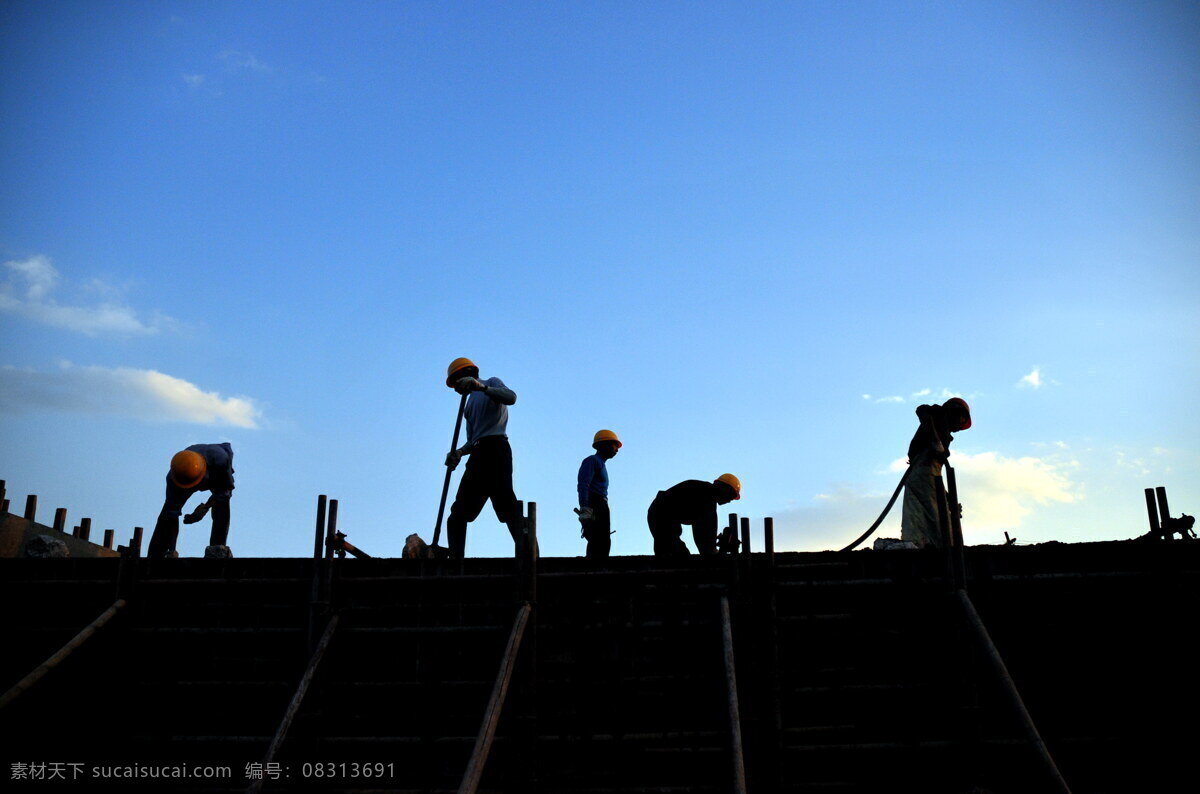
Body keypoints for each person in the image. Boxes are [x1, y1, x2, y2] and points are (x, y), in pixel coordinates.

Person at [443, 357, 523, 559]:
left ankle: (529, 553)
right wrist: (459, 452)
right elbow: (474, 440)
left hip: (496, 449)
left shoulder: (491, 383)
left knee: (507, 506)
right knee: (458, 515)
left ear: (466, 374)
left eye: (455, 383)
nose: (455, 389)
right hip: (479, 454)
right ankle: (455, 561)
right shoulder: (467, 407)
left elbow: (511, 397)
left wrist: (481, 388)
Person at [901, 397, 972, 548]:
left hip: (924, 472)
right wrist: (935, 441)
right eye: (961, 420)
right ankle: (935, 547)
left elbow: (934, 480)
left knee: (936, 510)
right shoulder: (938, 415)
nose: (959, 427)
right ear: (955, 411)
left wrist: (948, 498)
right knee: (937, 516)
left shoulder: (942, 426)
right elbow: (921, 409)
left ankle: (924, 544)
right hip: (922, 468)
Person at [148, 443, 235, 558]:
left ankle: (217, 549)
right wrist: (172, 550)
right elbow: (172, 514)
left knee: (222, 504)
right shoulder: (175, 477)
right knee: (167, 515)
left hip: (214, 466)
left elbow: (224, 493)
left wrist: (204, 509)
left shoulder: (220, 461)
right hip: (190, 471)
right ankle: (158, 555)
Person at [647, 474, 740, 557]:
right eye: (730, 496)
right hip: (661, 515)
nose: (729, 501)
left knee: (673, 552)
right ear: (725, 489)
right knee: (675, 555)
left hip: (659, 514)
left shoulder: (704, 493)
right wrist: (711, 551)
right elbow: (704, 531)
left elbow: (702, 531)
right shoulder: (707, 497)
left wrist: (710, 549)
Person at [576, 429, 621, 559]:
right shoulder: (592, 461)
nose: (616, 449)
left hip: (601, 503)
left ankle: (600, 567)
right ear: (604, 444)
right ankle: (593, 569)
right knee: (597, 539)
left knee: (604, 540)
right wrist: (585, 508)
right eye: (614, 445)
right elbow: (583, 485)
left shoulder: (601, 464)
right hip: (595, 503)